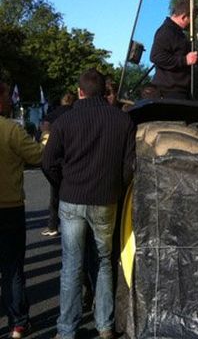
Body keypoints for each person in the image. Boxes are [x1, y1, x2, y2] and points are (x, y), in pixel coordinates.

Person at [42, 69, 136, 339]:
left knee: (71, 264)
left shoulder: (64, 122)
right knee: (104, 261)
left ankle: (66, 329)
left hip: (71, 198)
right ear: (104, 91)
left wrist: (62, 185)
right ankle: (105, 325)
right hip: (106, 199)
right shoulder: (123, 121)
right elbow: (129, 166)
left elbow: (48, 163)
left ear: (80, 91)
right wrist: (116, 188)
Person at [0, 80, 44, 339]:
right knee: (13, 269)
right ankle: (18, 323)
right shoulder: (11, 130)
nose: (10, 101)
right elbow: (38, 156)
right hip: (9, 208)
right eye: (6, 97)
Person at [40, 92, 76, 237]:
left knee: (55, 193)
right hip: (72, 157)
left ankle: (53, 225)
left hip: (56, 156)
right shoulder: (76, 113)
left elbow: (45, 129)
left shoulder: (53, 115)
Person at [150, 0, 198, 99]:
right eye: (192, 19)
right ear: (184, 17)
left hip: (179, 91)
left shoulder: (178, 33)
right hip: (170, 92)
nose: (192, 24)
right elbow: (156, 56)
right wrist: (184, 60)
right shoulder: (166, 31)